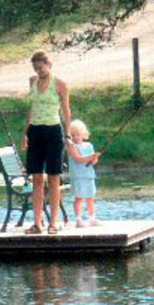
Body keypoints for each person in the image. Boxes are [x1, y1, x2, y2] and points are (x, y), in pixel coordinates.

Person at [22, 50, 72, 235]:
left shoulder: (59, 84)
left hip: (53, 131)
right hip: (35, 131)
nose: (39, 71)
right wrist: (25, 132)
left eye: (41, 67)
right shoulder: (32, 81)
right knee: (36, 177)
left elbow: (66, 111)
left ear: (48, 64)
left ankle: (53, 222)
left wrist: (67, 135)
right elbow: (31, 107)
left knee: (53, 178)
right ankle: (37, 223)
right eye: (36, 68)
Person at [66, 119, 102, 227]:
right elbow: (78, 158)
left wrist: (94, 159)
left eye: (77, 134)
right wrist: (91, 157)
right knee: (79, 197)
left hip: (88, 175)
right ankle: (78, 219)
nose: (76, 137)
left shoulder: (89, 145)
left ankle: (92, 218)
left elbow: (93, 161)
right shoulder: (71, 146)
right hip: (78, 176)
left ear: (83, 134)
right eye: (72, 135)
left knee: (90, 197)